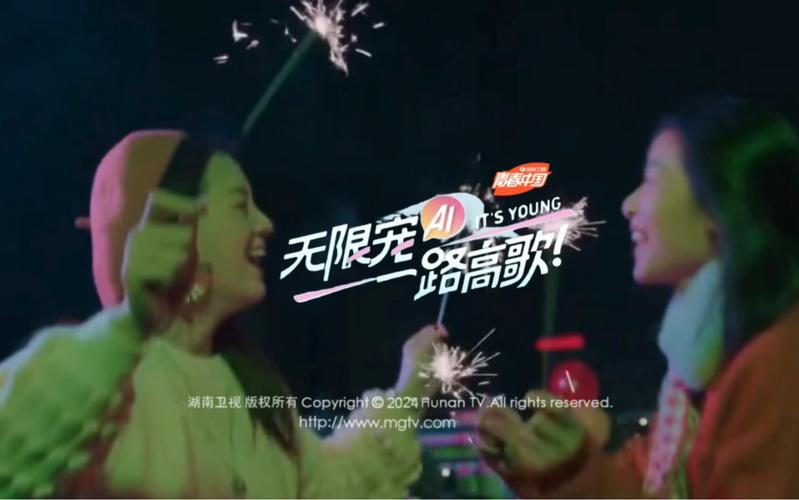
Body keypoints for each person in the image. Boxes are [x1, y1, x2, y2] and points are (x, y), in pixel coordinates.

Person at [0, 130, 445, 498]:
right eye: (239, 205)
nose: (264, 223)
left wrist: (410, 390)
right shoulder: (96, 386)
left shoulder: (247, 384)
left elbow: (328, 489)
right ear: (170, 223)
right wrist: (130, 323)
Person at [477, 97, 799, 497]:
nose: (628, 205)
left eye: (653, 180)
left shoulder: (775, 363)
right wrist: (564, 466)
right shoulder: (700, 366)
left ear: (720, 205)